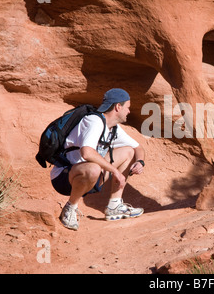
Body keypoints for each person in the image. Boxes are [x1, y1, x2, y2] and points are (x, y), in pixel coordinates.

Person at [50, 88, 145, 230]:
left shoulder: (113, 128)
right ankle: (70, 208)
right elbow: (86, 153)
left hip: (90, 176)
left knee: (128, 152)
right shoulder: (94, 121)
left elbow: (138, 148)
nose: (129, 112)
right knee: (93, 168)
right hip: (64, 177)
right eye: (128, 108)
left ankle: (115, 206)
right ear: (118, 107)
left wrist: (140, 161)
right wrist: (115, 172)